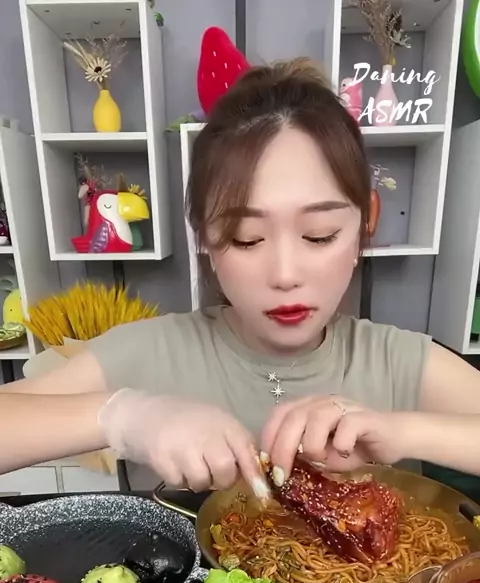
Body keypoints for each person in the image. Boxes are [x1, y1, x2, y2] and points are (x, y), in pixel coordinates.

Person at [2, 58, 480, 494]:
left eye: (319, 235)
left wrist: (403, 431)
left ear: (364, 227)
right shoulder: (149, 352)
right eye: (246, 239)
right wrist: (125, 417)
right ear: (206, 240)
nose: (285, 275)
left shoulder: (398, 362)